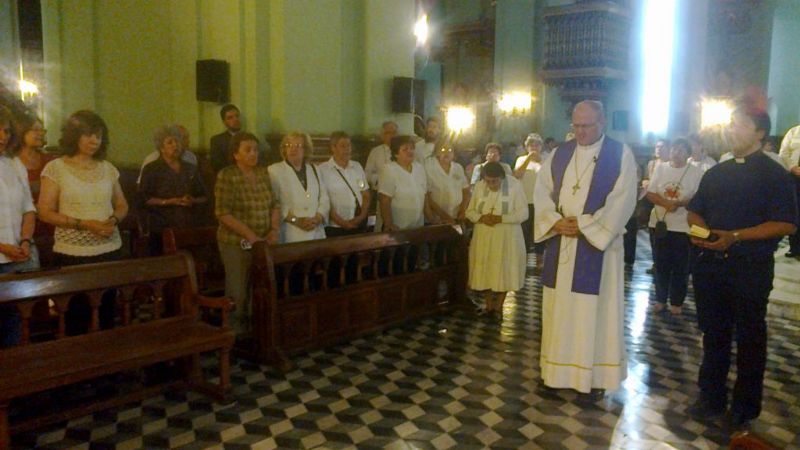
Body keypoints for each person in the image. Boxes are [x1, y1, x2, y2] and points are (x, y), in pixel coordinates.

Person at [686, 107, 797, 428]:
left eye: (740, 125)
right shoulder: (716, 173)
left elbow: (786, 224)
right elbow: (695, 211)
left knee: (750, 338)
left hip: (750, 268)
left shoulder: (774, 175)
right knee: (714, 334)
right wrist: (702, 232)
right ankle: (711, 396)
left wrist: (734, 237)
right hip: (711, 267)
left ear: (760, 133)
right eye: (730, 124)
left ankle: (745, 407)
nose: (731, 130)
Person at [533, 100, 637, 395]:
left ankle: (593, 381)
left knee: (595, 313)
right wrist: (554, 221)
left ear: (602, 122)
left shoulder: (620, 155)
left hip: (597, 250)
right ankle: (554, 374)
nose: (580, 132)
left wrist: (586, 226)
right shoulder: (559, 154)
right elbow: (541, 192)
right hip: (562, 244)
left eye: (587, 125)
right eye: (576, 126)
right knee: (559, 312)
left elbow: (623, 199)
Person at [38, 110, 129, 334]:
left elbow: (122, 205)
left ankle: (108, 367)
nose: (94, 140)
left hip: (108, 249)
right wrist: (83, 224)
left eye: (98, 136)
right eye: (88, 135)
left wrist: (113, 220)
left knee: (107, 314)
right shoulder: (56, 168)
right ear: (74, 135)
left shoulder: (107, 168)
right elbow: (45, 211)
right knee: (75, 317)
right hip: (73, 253)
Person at [215, 132, 281, 333]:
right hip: (236, 242)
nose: (254, 154)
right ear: (236, 154)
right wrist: (251, 236)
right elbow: (223, 213)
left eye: (256, 149)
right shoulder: (227, 175)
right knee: (238, 290)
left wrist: (274, 230)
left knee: (259, 288)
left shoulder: (262, 174)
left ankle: (256, 333)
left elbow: (274, 204)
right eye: (248, 150)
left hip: (263, 242)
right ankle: (233, 333)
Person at [645, 138, 703, 315]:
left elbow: (699, 197)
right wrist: (666, 203)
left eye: (681, 149)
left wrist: (682, 202)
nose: (676, 152)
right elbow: (651, 193)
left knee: (681, 267)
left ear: (688, 153)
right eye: (674, 149)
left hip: (683, 226)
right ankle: (660, 299)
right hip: (660, 224)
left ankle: (677, 302)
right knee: (660, 264)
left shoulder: (695, 172)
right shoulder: (661, 168)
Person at [466, 162, 528, 319]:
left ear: (502, 177)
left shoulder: (514, 185)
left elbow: (523, 214)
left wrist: (501, 218)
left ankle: (498, 307)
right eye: (488, 181)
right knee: (486, 270)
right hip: (484, 235)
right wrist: (481, 217)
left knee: (503, 271)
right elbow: (469, 212)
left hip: (507, 237)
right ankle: (488, 306)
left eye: (495, 181)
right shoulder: (480, 186)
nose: (491, 185)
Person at [0, 106, 38, 347]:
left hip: (15, 256)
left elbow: (28, 209)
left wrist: (24, 241)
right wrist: (3, 246)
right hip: (6, 252)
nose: (2, 136)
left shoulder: (14, 164)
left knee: (12, 321)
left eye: (5, 130)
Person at [139, 125, 207, 254]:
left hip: (188, 225)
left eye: (177, 141)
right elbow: (144, 199)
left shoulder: (190, 168)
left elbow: (203, 196)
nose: (175, 145)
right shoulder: (152, 168)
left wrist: (193, 200)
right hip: (161, 226)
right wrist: (169, 201)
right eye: (170, 142)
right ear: (161, 147)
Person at [268, 132, 329, 243]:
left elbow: (324, 197)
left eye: (298, 146)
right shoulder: (274, 171)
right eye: (289, 145)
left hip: (316, 232)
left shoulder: (314, 169)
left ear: (305, 150)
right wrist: (296, 220)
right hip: (291, 233)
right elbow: (274, 203)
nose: (293, 149)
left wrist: (318, 217)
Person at [319, 131, 370, 236]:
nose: (347, 149)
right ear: (333, 148)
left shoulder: (357, 167)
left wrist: (362, 216)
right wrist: (341, 222)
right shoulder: (323, 170)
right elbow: (324, 200)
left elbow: (365, 193)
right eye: (343, 146)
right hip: (335, 227)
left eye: (349, 145)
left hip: (358, 224)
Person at [378, 135, 428, 231]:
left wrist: (431, 218)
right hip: (398, 228)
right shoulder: (389, 169)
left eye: (412, 148)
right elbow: (384, 200)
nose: (410, 151)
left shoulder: (419, 168)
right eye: (405, 149)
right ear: (396, 154)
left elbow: (425, 196)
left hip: (418, 227)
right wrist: (389, 224)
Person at [514, 133, 543, 260]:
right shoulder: (521, 159)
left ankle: (539, 260)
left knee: (539, 232)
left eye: (536, 144)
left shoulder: (546, 159)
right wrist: (529, 159)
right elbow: (517, 175)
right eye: (531, 145)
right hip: (525, 201)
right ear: (527, 147)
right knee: (524, 231)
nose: (534, 147)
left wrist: (539, 160)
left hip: (541, 201)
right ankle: (522, 259)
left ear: (541, 147)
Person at [424, 144, 470, 225]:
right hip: (437, 219)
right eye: (442, 150)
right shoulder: (429, 167)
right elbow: (427, 196)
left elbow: (466, 191)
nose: (446, 153)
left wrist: (463, 210)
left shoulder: (458, 167)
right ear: (437, 153)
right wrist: (444, 216)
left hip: (457, 216)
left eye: (450, 150)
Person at [779, 123, 800, 258]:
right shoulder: (794, 131)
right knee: (796, 211)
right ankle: (795, 247)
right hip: (795, 177)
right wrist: (793, 167)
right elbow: (784, 152)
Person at [364, 121, 398, 189]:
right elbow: (367, 174)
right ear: (382, 136)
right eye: (388, 133)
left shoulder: (405, 151)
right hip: (381, 189)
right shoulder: (376, 152)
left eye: (394, 133)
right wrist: (380, 178)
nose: (392, 136)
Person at [209, 104, 242, 172]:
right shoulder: (217, 141)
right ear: (224, 122)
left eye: (237, 116)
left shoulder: (250, 138)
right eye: (230, 118)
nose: (235, 119)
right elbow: (217, 165)